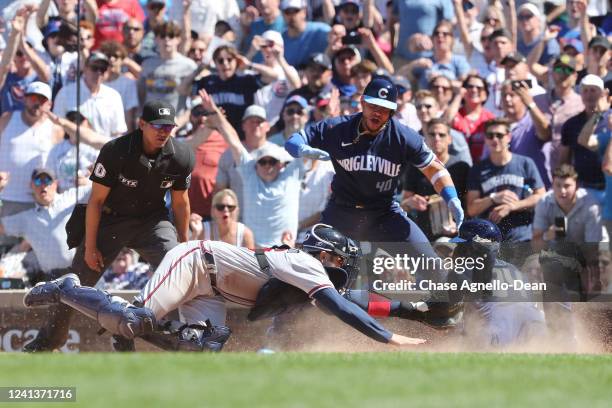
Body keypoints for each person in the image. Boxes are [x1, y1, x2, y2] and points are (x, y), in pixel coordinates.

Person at [24, 224, 426, 350]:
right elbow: (342, 307)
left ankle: (124, 331)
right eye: (340, 259)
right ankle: (66, 287)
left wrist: (411, 310)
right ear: (323, 255)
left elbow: (352, 299)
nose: (343, 267)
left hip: (211, 289)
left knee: (201, 348)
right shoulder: (307, 263)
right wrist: (390, 338)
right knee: (135, 320)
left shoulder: (310, 275)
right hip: (196, 261)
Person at [23, 100, 195, 352]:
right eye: (157, 126)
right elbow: (96, 201)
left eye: (168, 127)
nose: (163, 132)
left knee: (178, 270)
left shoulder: (181, 155)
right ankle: (49, 341)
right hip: (110, 220)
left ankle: (185, 340)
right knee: (76, 284)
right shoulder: (117, 150)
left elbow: (181, 204)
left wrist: (183, 244)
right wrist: (91, 246)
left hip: (152, 221)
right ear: (142, 124)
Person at [285, 77, 464, 288]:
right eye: (372, 105)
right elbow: (294, 140)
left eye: (384, 108)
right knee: (313, 269)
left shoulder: (404, 137)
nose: (377, 112)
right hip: (342, 214)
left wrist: (451, 198)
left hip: (384, 214)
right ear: (362, 103)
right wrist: (301, 149)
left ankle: (443, 313)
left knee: (432, 265)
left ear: (393, 111)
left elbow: (435, 169)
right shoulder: (337, 128)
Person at [346, 219, 547, 347]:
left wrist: (351, 297)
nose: (457, 251)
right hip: (537, 336)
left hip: (498, 339)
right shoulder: (513, 270)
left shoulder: (463, 272)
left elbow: (427, 308)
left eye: (462, 245)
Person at [0, 168, 90, 283]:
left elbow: (100, 189)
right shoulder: (27, 218)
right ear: (31, 185)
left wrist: (88, 180)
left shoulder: (71, 197)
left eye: (48, 181)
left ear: (56, 184)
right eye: (38, 181)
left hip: (79, 273)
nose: (43, 185)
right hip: (51, 279)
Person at [466, 118, 545, 242]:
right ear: (485, 139)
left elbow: (540, 196)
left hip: (523, 236)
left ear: (508, 137)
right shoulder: (477, 169)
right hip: (490, 239)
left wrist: (512, 206)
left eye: (499, 135)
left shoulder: (525, 163)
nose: (495, 139)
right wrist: (493, 198)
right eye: (490, 135)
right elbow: (471, 209)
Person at [401, 118, 470, 241]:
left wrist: (460, 226)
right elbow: (403, 205)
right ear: (425, 138)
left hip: (456, 236)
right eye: (432, 134)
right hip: (424, 236)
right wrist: (411, 202)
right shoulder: (415, 167)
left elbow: (471, 206)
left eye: (442, 135)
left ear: (450, 139)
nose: (437, 138)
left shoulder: (462, 167)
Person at [532, 164, 608, 251]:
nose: (562, 191)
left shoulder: (591, 205)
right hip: (562, 252)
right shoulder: (544, 203)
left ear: (577, 187)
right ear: (552, 185)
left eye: (567, 186)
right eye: (558, 185)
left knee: (601, 259)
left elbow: (593, 248)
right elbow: (535, 245)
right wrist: (547, 236)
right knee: (533, 262)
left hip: (596, 248)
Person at [189, 188, 254, 248]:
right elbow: (188, 256)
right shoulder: (203, 230)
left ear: (237, 210)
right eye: (220, 207)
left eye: (230, 207)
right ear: (213, 210)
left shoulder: (245, 234)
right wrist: (195, 233)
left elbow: (251, 260)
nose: (225, 210)